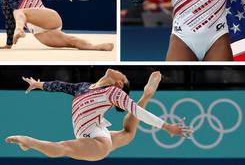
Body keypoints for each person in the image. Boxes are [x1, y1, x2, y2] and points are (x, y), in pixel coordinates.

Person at [5, 69, 192, 161]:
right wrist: (39, 85)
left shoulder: (113, 92)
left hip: (98, 142)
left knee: (62, 148)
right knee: (128, 134)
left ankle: (28, 141)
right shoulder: (83, 87)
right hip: (96, 132)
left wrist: (167, 126)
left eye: (123, 76)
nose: (119, 71)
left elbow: (137, 112)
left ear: (119, 83)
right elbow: (61, 86)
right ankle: (147, 94)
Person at [1, 0, 114, 51]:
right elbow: (9, 20)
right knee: (71, 41)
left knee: (18, 11)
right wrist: (8, 44)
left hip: (50, 19)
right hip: (39, 32)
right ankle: (95, 46)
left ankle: (19, 29)